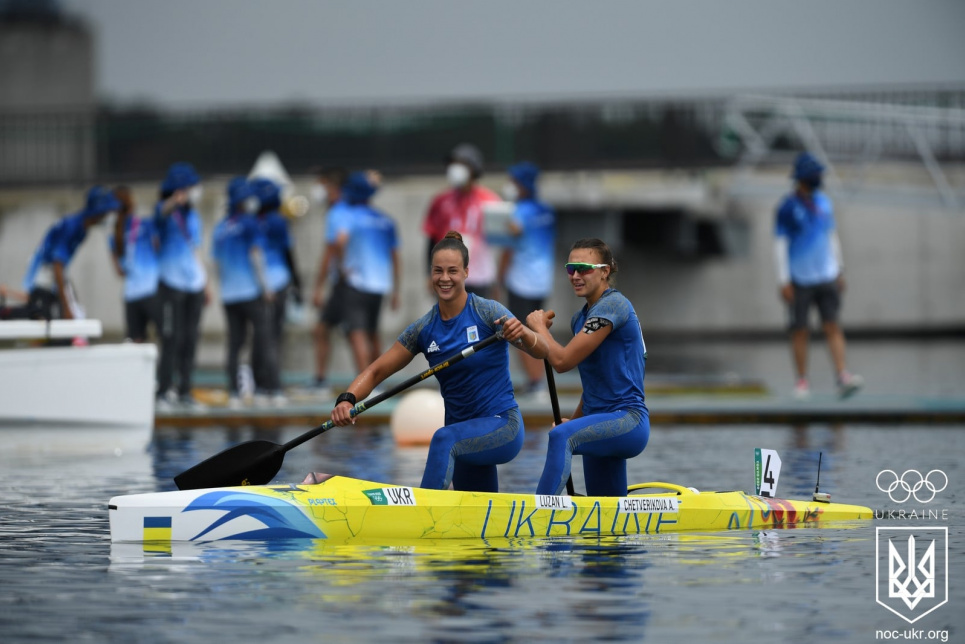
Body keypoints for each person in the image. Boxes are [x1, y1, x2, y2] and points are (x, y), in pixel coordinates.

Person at [329, 231, 537, 493]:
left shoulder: (488, 312)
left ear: (466, 273)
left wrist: (527, 333)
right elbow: (376, 370)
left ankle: (419, 512)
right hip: (461, 437)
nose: (445, 278)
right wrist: (347, 399)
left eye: (453, 270)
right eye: (438, 271)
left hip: (502, 427)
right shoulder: (424, 329)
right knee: (474, 517)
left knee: (442, 438)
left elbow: (539, 352)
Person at [511, 238, 650, 497]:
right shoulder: (580, 319)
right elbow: (594, 387)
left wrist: (540, 328)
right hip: (599, 422)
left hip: (627, 421)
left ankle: (540, 511)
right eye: (570, 268)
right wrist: (574, 421)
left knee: (561, 437)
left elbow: (562, 362)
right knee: (608, 519)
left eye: (584, 268)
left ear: (605, 271)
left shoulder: (613, 305)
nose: (575, 275)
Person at [774, 152, 863, 399]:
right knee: (800, 330)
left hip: (826, 275)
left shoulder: (824, 202)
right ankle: (802, 382)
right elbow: (780, 244)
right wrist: (784, 280)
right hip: (800, 278)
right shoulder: (787, 207)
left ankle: (842, 375)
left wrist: (839, 270)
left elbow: (831, 237)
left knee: (832, 325)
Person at [211, 177, 282, 408]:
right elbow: (256, 256)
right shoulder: (250, 223)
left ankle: (233, 393)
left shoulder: (221, 228)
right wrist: (267, 287)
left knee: (234, 344)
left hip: (229, 295)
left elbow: (216, 264)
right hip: (251, 292)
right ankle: (270, 390)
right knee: (265, 340)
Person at [497, 161, 556, 398]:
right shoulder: (546, 210)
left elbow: (508, 249)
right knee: (538, 330)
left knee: (519, 332)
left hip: (521, 281)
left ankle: (535, 382)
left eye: (513, 182)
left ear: (522, 185)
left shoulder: (518, 212)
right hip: (542, 280)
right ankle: (539, 381)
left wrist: (498, 279)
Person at [153, 162, 209, 409]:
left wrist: (205, 282)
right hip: (171, 283)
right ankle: (163, 390)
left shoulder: (193, 216)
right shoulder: (166, 210)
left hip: (193, 284)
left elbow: (195, 249)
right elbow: (159, 215)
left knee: (190, 338)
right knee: (170, 338)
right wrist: (174, 201)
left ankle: (185, 389)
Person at [333, 171, 400, 372]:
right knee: (373, 333)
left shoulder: (349, 216)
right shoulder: (385, 220)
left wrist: (342, 268)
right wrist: (396, 289)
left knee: (357, 333)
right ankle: (377, 381)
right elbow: (396, 257)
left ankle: (364, 384)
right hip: (380, 285)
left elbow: (339, 242)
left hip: (357, 283)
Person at [22, 185, 120, 321]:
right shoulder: (72, 227)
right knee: (49, 327)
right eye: (108, 211)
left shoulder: (81, 228)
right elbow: (57, 265)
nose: (110, 216)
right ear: (99, 211)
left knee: (73, 317)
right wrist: (66, 306)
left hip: (54, 279)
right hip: (43, 281)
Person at [422, 143, 501, 298]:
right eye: (453, 164)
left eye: (461, 164)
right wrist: (429, 273)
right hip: (448, 277)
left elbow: (501, 244)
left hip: (480, 277)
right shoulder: (441, 201)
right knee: (449, 321)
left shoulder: (490, 201)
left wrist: (497, 281)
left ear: (474, 168)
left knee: (479, 321)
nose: (455, 168)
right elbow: (432, 238)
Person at [251, 177, 301, 401]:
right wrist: (298, 282)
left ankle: (259, 383)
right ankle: (273, 386)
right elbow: (288, 253)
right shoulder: (279, 221)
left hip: (257, 285)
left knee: (260, 336)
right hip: (277, 282)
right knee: (273, 336)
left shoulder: (252, 220)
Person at [310, 166, 350, 396]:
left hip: (343, 284)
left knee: (325, 329)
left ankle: (321, 380)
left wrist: (318, 287)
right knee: (360, 332)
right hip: (351, 283)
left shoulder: (337, 213)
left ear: (333, 189)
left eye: (323, 185)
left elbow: (332, 250)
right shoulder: (347, 211)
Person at [109, 186, 161, 343]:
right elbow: (159, 250)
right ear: (132, 205)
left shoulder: (114, 236)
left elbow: (120, 272)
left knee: (135, 342)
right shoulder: (146, 225)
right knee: (166, 338)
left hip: (131, 295)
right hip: (152, 290)